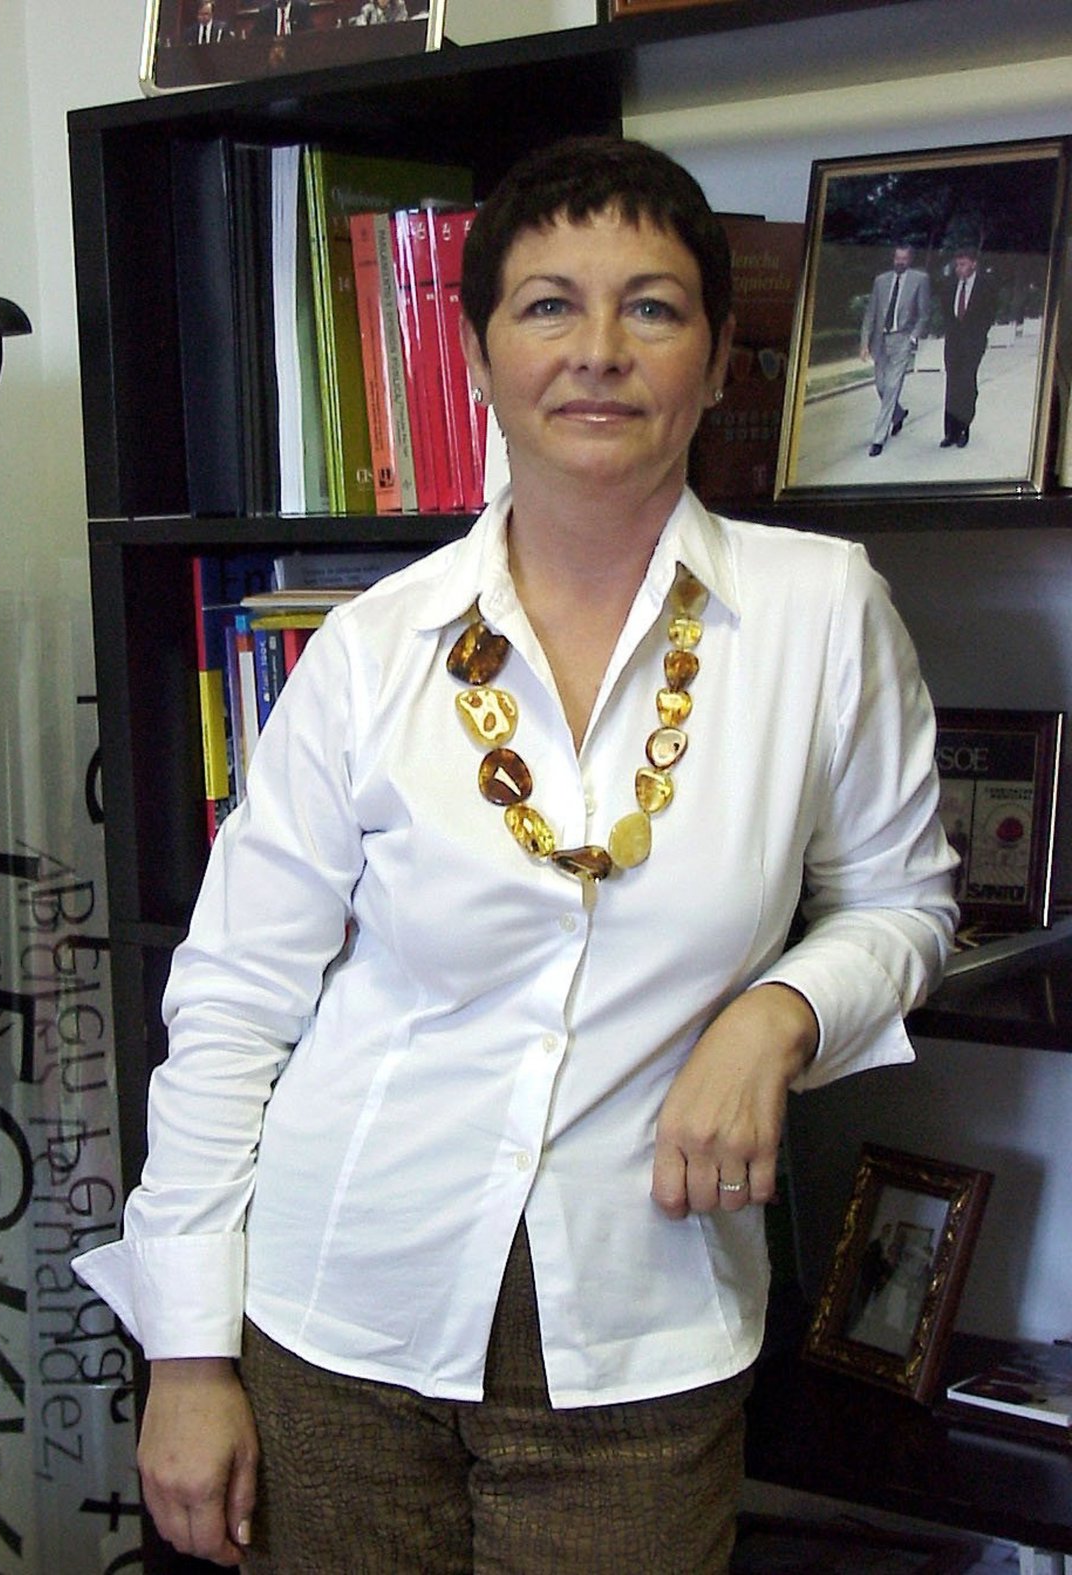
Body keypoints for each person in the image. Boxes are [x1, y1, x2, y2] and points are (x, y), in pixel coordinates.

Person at [74, 135, 957, 1572]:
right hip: (336, 1320)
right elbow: (234, 998)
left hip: (643, 1340)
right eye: (549, 306)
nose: (598, 351)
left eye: (651, 307)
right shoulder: (371, 649)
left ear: (717, 363)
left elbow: (904, 902)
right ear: (481, 359)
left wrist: (780, 1011)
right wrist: (185, 1354)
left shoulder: (823, 613)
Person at [859, 242, 932, 456]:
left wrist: (913, 338)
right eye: (897, 258)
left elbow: (924, 314)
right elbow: (871, 313)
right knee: (881, 386)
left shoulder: (920, 280)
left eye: (904, 259)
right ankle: (898, 414)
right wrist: (864, 343)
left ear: (910, 260)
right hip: (880, 341)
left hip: (902, 339)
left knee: (891, 387)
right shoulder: (881, 281)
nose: (899, 262)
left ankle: (878, 439)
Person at [940, 244, 997, 448]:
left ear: (974, 264)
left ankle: (964, 427)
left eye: (963, 264)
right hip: (953, 343)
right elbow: (946, 310)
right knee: (952, 384)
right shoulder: (950, 284)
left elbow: (990, 313)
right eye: (957, 265)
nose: (959, 269)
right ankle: (950, 431)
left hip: (973, 343)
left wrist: (978, 334)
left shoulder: (985, 285)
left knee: (966, 383)